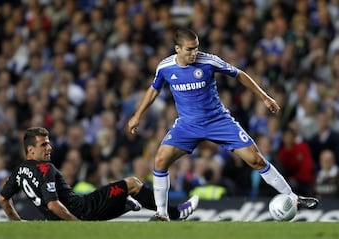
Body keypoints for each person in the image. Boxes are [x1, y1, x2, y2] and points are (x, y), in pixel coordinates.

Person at [128, 28, 319, 221]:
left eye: (196, 48)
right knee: (160, 160)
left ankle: (294, 198)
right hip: (187, 125)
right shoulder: (165, 67)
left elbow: (240, 74)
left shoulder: (209, 61)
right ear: (177, 48)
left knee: (256, 160)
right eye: (189, 49)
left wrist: (265, 97)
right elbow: (153, 90)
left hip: (218, 121)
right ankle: (161, 213)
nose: (194, 53)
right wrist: (137, 116)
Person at [0, 127, 199, 221]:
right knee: (134, 183)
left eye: (49, 142)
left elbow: (3, 199)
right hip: (82, 209)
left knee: (121, 200)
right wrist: (76, 225)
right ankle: (176, 213)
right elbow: (53, 204)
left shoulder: (18, 172)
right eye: (43, 144)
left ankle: (126, 204)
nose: (49, 147)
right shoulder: (45, 169)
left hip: (63, 219)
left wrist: (18, 223)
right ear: (30, 150)